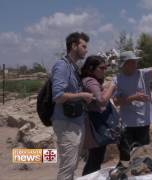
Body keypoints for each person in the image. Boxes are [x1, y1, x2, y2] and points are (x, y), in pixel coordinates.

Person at [51, 32, 94, 180]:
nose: (86, 50)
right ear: (74, 46)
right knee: (67, 167)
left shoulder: (73, 67)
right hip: (66, 123)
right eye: (83, 46)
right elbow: (58, 96)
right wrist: (81, 95)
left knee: (72, 165)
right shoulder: (62, 66)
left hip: (75, 122)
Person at [80, 55, 116, 175]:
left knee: (95, 158)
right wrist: (112, 86)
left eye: (106, 68)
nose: (104, 70)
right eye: (102, 68)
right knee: (95, 158)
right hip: (96, 124)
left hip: (94, 123)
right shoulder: (91, 81)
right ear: (91, 68)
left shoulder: (89, 80)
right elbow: (102, 101)